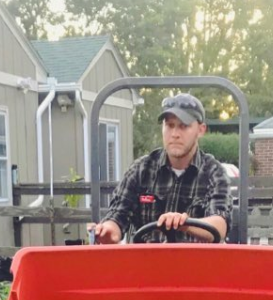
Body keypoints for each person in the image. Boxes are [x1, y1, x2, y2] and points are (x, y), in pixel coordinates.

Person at [90, 94, 232, 244]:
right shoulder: (141, 170)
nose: (175, 134)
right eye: (170, 125)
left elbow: (219, 225)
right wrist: (108, 231)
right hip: (146, 264)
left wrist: (185, 223)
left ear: (201, 130)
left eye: (183, 126)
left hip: (195, 264)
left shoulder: (214, 173)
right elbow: (118, 214)